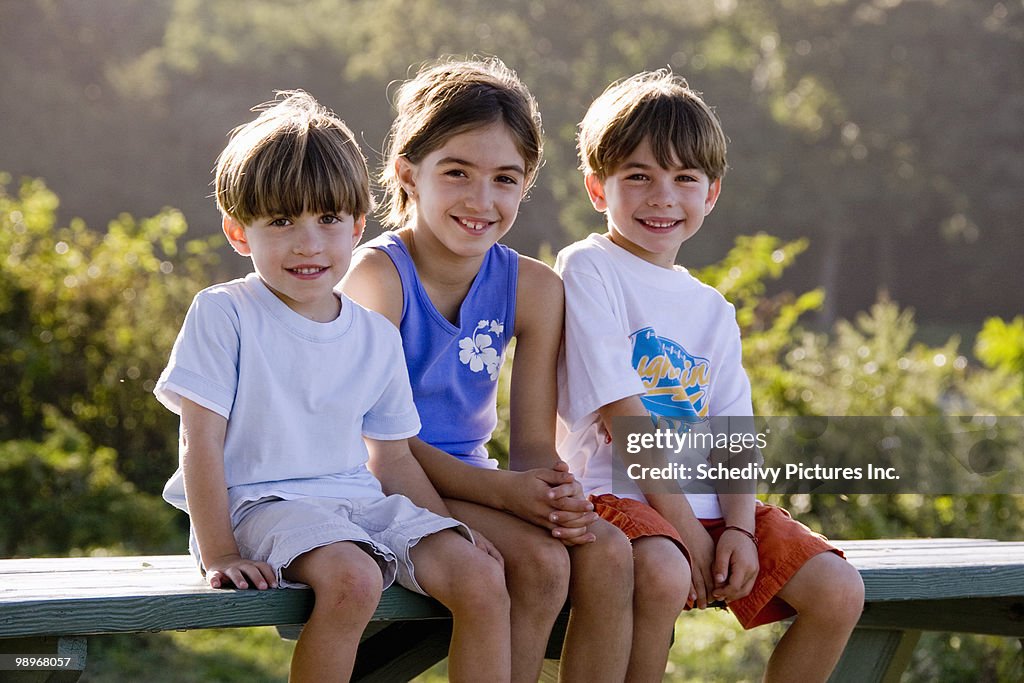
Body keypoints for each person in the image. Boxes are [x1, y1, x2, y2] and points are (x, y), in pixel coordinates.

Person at [154, 90, 511, 683]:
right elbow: (200, 443)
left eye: (328, 220)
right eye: (281, 221)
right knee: (354, 579)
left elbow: (392, 458)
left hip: (357, 502)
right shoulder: (226, 313)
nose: (308, 243)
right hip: (258, 506)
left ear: (357, 226)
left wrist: (453, 528)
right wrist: (218, 552)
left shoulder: (373, 335)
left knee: (479, 576)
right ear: (239, 232)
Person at [555, 70, 866, 682]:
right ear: (598, 188)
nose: (662, 197)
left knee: (837, 589)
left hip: (709, 508)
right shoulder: (589, 267)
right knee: (665, 572)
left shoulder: (712, 308)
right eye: (638, 176)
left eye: (684, 179)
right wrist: (685, 532)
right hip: (614, 498)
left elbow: (732, 433)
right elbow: (623, 416)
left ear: (711, 193)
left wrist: (742, 532)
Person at [342, 58, 634, 682]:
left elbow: (531, 444)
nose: (482, 200)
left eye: (505, 179)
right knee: (542, 566)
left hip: (471, 482)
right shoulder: (377, 278)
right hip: (375, 487)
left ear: (526, 184)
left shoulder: (532, 287)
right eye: (457, 173)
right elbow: (377, 449)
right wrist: (504, 492)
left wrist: (555, 497)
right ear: (407, 173)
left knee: (608, 551)